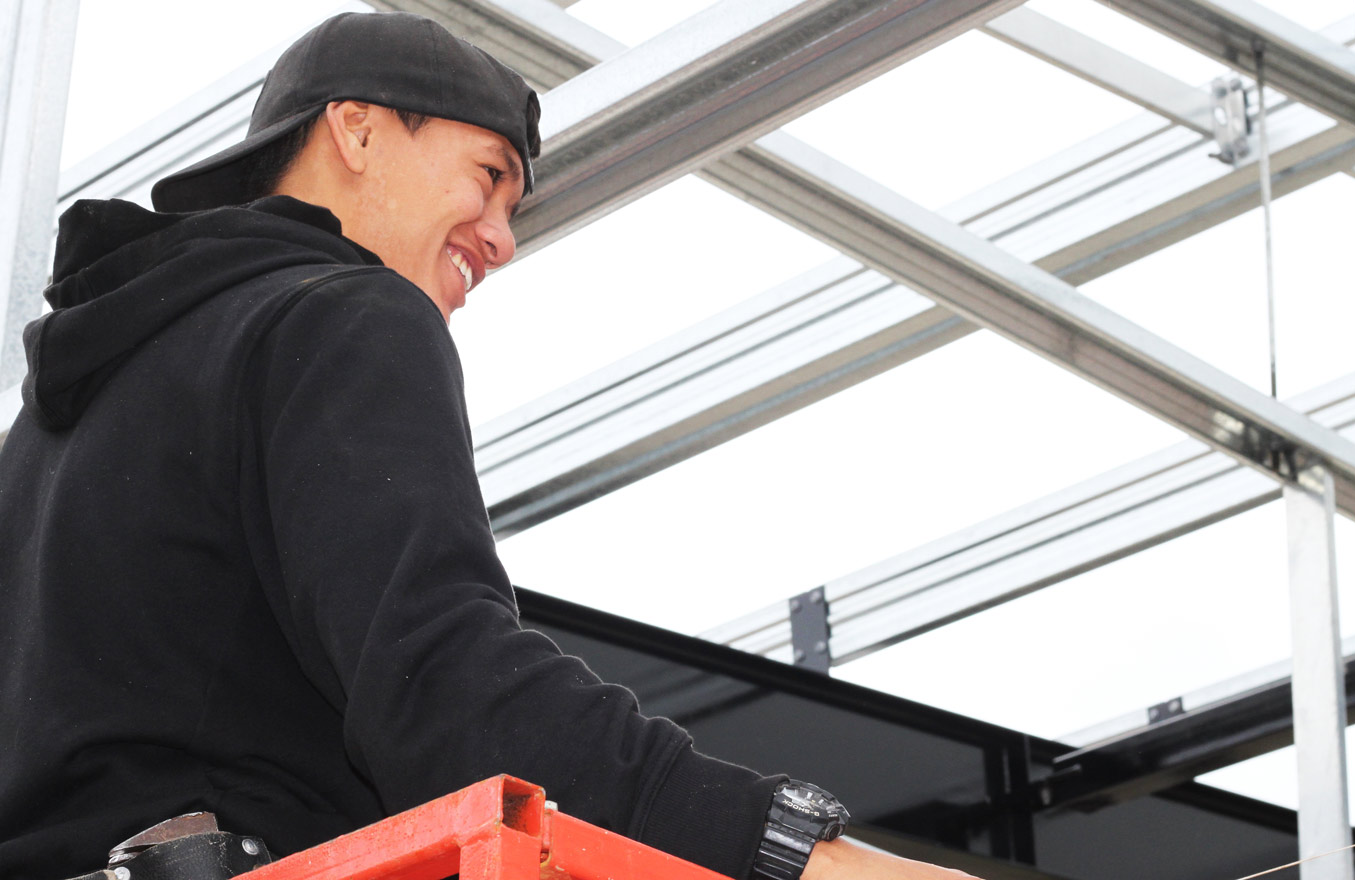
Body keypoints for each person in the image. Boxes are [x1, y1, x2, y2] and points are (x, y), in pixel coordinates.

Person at [0, 12, 974, 880]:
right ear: (359, 128)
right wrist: (790, 847)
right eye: (490, 176)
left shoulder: (54, 419)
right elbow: (445, 687)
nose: (502, 237)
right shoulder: (347, 313)